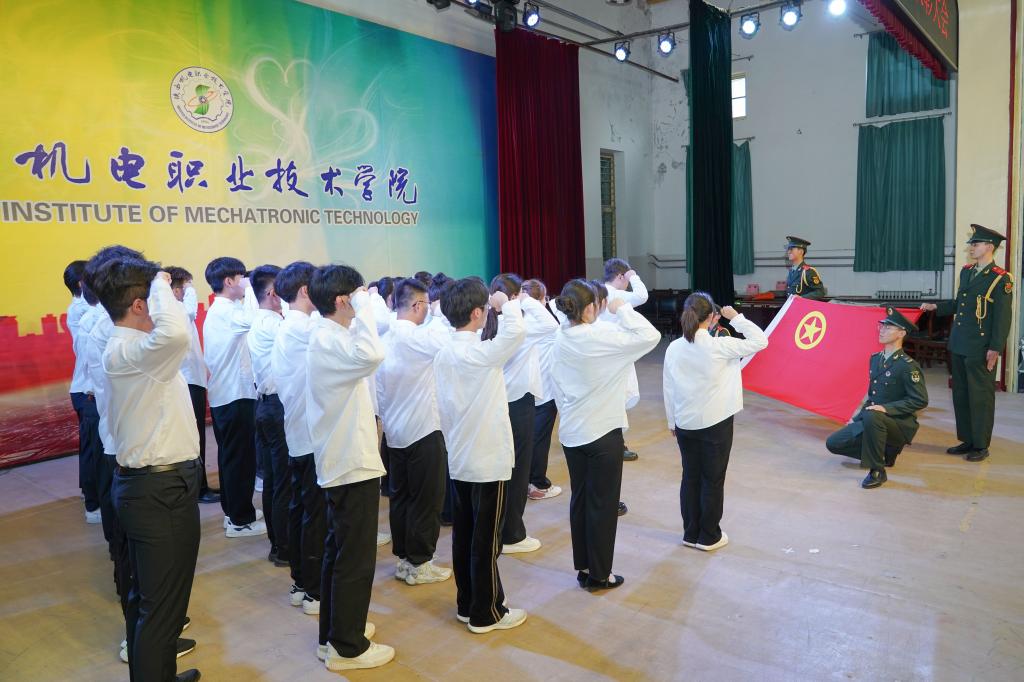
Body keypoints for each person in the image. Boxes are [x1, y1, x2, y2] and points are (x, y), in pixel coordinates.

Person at [94, 257, 201, 682]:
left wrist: (155, 287)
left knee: (151, 601)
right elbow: (177, 334)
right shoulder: (132, 351)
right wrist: (158, 282)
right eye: (161, 297)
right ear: (140, 305)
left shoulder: (135, 350)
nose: (168, 302)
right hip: (160, 490)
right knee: (161, 608)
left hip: (154, 486)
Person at [306, 264, 394, 671]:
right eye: (357, 295)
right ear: (343, 301)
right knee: (355, 558)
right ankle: (348, 647)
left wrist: (361, 308)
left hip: (345, 459)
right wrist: (366, 306)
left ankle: (333, 634)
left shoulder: (332, 336)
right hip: (349, 462)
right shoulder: (329, 340)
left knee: (339, 552)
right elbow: (374, 354)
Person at [551, 279, 660, 591]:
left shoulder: (561, 336)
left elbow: (557, 385)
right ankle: (600, 575)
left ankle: (585, 567)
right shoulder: (602, 337)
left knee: (581, 501)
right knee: (603, 505)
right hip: (602, 433)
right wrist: (623, 308)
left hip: (572, 431)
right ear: (590, 309)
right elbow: (650, 336)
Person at [434, 278, 528, 633]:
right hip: (486, 459)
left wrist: (499, 305)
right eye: (486, 309)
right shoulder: (478, 353)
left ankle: (467, 603)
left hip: (459, 455)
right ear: (477, 313)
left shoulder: (445, 352)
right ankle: (486, 613)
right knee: (486, 540)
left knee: (465, 534)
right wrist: (507, 304)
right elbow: (516, 332)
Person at [663, 292, 768, 551]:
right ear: (711, 317)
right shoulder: (720, 345)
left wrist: (672, 421)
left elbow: (668, 387)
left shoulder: (674, 347)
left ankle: (690, 533)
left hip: (684, 423)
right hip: (715, 423)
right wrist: (737, 318)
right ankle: (709, 536)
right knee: (712, 479)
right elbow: (761, 340)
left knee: (690, 477)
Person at [375, 278, 452, 585]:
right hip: (423, 429)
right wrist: (439, 314)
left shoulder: (384, 337)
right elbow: (447, 342)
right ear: (419, 305)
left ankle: (406, 559)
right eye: (426, 305)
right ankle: (420, 563)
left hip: (395, 431)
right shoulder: (416, 337)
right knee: (427, 499)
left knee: (402, 498)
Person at [920, 224, 1014, 462]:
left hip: (980, 347)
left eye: (976, 244)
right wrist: (935, 307)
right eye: (972, 244)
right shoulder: (967, 272)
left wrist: (996, 348)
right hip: (959, 342)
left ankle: (981, 445)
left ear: (989, 247)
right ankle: (968, 439)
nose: (971, 247)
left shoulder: (1000, 278)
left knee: (980, 397)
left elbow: (1003, 317)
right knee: (961, 394)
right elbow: (959, 304)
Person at [482, 273, 553, 555]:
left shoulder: (488, 322)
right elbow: (551, 324)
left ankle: (502, 529)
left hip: (497, 402)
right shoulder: (519, 327)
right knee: (518, 469)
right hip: (518, 404)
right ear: (513, 298)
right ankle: (512, 534)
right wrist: (523, 301)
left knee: (503, 469)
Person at [270, 262, 327, 615]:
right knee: (314, 514)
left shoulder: (292, 325)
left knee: (303, 509)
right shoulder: (304, 327)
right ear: (307, 290)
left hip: (300, 431)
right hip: (309, 432)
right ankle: (314, 591)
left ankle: (302, 583)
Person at [825, 308, 929, 488]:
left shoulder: (907, 366)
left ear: (901, 333)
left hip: (899, 424)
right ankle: (885, 453)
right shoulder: (875, 359)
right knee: (834, 443)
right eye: (881, 326)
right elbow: (873, 397)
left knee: (874, 415)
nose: (882, 330)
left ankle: (877, 470)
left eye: (888, 328)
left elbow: (920, 400)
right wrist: (857, 418)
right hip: (875, 418)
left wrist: (886, 408)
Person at [203, 257, 266, 537]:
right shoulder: (226, 311)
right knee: (240, 460)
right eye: (242, 277)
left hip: (231, 394)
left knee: (233, 458)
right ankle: (241, 520)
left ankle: (234, 512)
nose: (246, 282)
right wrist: (254, 288)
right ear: (229, 281)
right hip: (234, 395)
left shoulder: (227, 309)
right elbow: (256, 318)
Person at [246, 264, 293, 567]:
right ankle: (285, 547)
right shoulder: (275, 325)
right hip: (277, 406)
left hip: (266, 405)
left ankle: (279, 545)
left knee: (275, 480)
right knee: (282, 480)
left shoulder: (262, 321)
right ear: (275, 293)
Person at [167, 267, 219, 504]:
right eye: (185, 286)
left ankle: (200, 485)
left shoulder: (175, 311)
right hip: (187, 382)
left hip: (194, 380)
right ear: (176, 290)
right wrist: (189, 290)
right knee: (194, 437)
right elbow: (190, 311)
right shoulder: (176, 311)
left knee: (197, 437)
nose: (188, 290)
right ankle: (197, 489)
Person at [64, 259, 101, 522]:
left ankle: (91, 494)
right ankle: (93, 505)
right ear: (82, 283)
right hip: (86, 389)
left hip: (89, 387)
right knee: (92, 449)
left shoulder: (86, 308)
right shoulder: (83, 310)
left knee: (93, 447)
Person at [600, 259, 647, 461]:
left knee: (604, 401)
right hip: (616, 354)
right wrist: (633, 276)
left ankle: (608, 442)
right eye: (626, 278)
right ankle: (616, 446)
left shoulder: (597, 291)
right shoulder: (615, 294)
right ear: (620, 276)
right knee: (616, 403)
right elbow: (642, 296)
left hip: (599, 354)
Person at [521, 279, 562, 501]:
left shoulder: (516, 322)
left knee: (526, 440)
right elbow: (553, 326)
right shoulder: (544, 326)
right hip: (544, 393)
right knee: (539, 440)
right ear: (542, 299)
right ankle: (537, 483)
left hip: (523, 393)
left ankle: (526, 482)